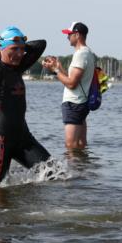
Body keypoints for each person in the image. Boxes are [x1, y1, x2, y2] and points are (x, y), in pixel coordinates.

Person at [0, 27, 50, 187]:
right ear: (0, 48)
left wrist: (19, 42)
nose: (19, 54)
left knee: (54, 173)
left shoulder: (17, 67)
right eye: (14, 49)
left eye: (22, 50)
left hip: (23, 139)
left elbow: (41, 45)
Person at [42, 21, 95, 150]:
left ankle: (73, 170)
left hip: (74, 104)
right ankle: (81, 169)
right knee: (80, 145)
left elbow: (71, 84)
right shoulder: (87, 53)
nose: (67, 37)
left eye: (69, 34)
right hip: (80, 103)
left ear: (77, 35)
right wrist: (59, 68)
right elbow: (73, 79)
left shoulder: (81, 54)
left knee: (71, 145)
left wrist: (54, 70)